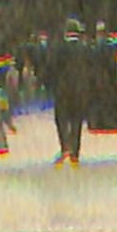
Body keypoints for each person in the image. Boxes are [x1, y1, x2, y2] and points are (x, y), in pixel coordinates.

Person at [47, 18, 93, 166]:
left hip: (63, 90)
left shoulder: (58, 48)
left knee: (61, 118)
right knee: (76, 120)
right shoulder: (85, 49)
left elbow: (52, 68)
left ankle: (64, 145)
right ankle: (75, 151)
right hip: (79, 89)